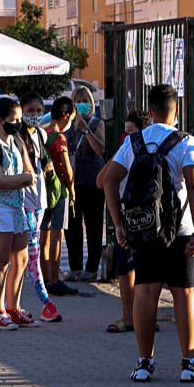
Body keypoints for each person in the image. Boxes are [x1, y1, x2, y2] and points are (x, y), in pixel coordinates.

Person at [103, 83, 194, 384]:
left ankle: (143, 363)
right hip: (180, 230)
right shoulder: (186, 141)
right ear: (176, 110)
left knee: (146, 290)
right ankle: (189, 364)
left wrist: (119, 224)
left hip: (143, 229)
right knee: (184, 293)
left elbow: (109, 181)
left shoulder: (134, 141)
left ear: (150, 112)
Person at [0, 98, 38, 330]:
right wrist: (23, 179)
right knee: (2, 261)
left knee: (21, 259)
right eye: (14, 120)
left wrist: (23, 178)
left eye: (19, 119)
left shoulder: (17, 142)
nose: (18, 123)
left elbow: (30, 171)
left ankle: (15, 307)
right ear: (0, 120)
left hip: (18, 206)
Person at [99, 109, 150, 333]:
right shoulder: (124, 151)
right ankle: (128, 316)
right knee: (125, 268)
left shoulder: (149, 152)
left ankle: (147, 317)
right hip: (125, 214)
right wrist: (120, 151)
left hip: (148, 215)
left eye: (132, 132)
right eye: (125, 132)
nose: (127, 137)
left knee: (146, 270)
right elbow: (101, 181)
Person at [17, 93, 62, 323]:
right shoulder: (17, 137)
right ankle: (46, 302)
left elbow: (45, 161)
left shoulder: (43, 134)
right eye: (30, 111)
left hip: (40, 200)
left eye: (37, 111)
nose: (34, 115)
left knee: (28, 255)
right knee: (32, 254)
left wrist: (49, 166)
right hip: (24, 200)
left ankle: (16, 303)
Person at [64, 85, 106, 281]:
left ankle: (92, 269)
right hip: (73, 180)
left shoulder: (97, 123)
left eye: (85, 101)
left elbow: (100, 149)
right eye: (77, 101)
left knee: (94, 225)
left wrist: (86, 130)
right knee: (72, 226)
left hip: (93, 180)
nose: (81, 105)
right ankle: (75, 268)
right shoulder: (68, 125)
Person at [43, 97, 77, 297]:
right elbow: (67, 168)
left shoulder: (43, 133)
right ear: (66, 116)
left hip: (44, 191)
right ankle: (55, 279)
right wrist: (72, 189)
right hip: (59, 190)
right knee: (57, 235)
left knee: (43, 236)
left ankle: (45, 278)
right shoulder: (59, 137)